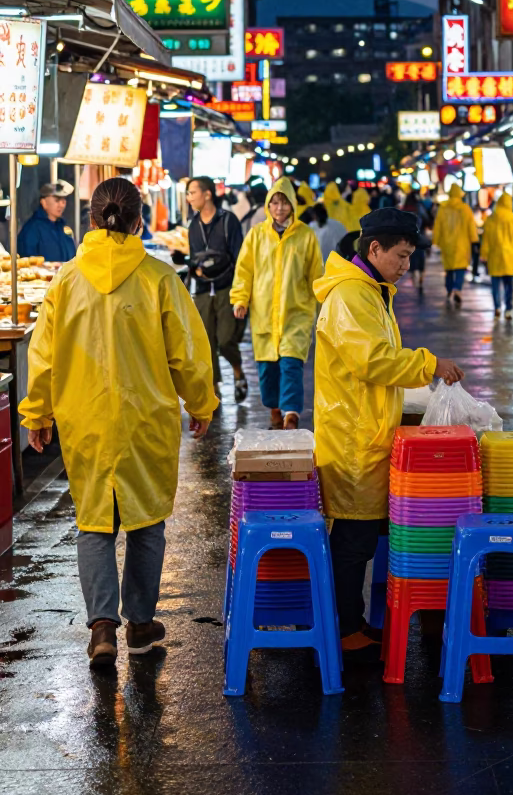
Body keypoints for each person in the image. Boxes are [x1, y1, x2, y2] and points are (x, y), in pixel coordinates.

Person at [19, 177, 216, 670]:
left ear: (90, 220)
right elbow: (187, 353)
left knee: (94, 522)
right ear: (138, 221)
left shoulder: (66, 280)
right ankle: (141, 625)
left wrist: (37, 412)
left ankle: (102, 628)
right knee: (147, 521)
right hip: (145, 419)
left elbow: (43, 356)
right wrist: (201, 403)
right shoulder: (159, 277)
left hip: (84, 420)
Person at [313, 208, 464, 653]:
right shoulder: (351, 297)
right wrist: (428, 364)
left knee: (365, 534)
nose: (406, 265)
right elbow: (373, 359)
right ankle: (344, 629)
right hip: (353, 434)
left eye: (410, 256)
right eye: (401, 255)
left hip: (367, 425)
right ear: (374, 249)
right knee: (354, 539)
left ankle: (356, 621)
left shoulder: (373, 290)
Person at [231, 177, 323, 430]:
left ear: (293, 205)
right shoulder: (257, 235)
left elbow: (316, 273)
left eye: (284, 203)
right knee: (267, 368)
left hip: (297, 313)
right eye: (275, 203)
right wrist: (240, 298)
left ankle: (291, 414)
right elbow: (244, 270)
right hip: (264, 313)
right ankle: (274, 408)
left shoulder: (305, 236)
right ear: (268, 206)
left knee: (291, 363)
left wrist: (325, 303)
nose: (280, 208)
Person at [186, 176, 247, 404]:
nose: (189, 198)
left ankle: (238, 372)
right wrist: (194, 267)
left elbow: (240, 257)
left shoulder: (228, 220)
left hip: (225, 288)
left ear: (207, 194)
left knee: (225, 338)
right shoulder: (193, 225)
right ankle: (214, 389)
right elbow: (193, 257)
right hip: (202, 291)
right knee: (206, 342)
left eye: (192, 192)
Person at [481, 192, 513, 321]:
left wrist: (484, 254)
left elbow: (486, 240)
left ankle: (497, 307)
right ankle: (508, 309)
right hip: (510, 258)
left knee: (495, 285)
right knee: (509, 286)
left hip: (494, 257)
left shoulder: (491, 219)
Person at [432, 183, 477, 306]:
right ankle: (457, 288)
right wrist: (474, 240)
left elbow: (438, 226)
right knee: (460, 268)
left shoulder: (443, 208)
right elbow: (471, 226)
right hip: (462, 244)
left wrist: (435, 241)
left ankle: (449, 288)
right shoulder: (465, 208)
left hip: (447, 244)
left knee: (449, 269)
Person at [18, 181, 76, 262]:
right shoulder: (32, 229)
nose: (62, 205)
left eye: (63, 201)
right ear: (44, 203)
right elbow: (26, 260)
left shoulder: (63, 227)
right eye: (57, 200)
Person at [402, 192, 432, 294]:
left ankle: (415, 275)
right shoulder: (419, 207)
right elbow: (426, 218)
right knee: (421, 255)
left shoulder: (404, 208)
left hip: (408, 237)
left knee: (412, 256)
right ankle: (421, 275)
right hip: (420, 234)